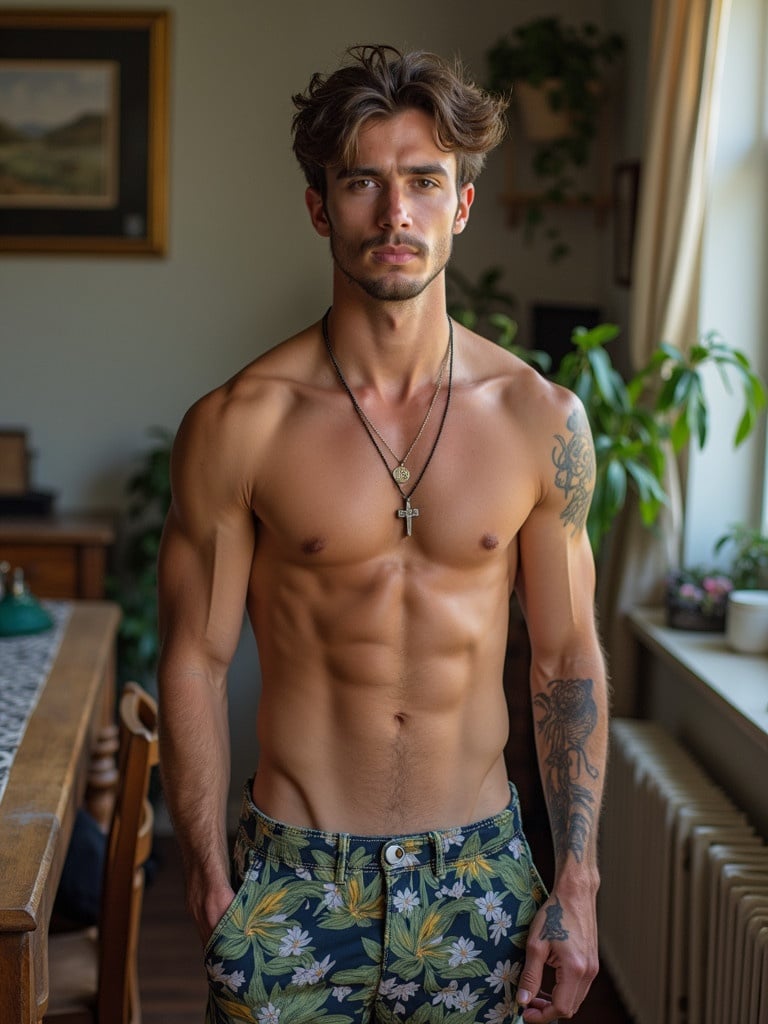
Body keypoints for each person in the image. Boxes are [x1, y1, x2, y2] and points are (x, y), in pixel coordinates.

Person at [157, 44, 608, 1024]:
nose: (394, 215)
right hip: (290, 878)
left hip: (479, 873)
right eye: (362, 182)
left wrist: (577, 879)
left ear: (462, 205)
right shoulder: (241, 422)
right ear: (321, 205)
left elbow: (567, 657)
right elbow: (191, 657)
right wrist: (203, 872)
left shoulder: (541, 421)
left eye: (422, 183)